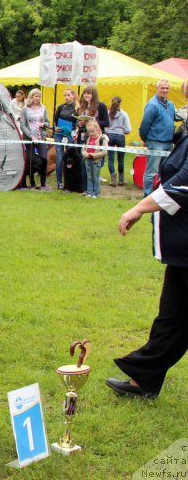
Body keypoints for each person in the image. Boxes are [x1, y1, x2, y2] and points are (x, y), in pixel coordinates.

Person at [106, 79, 188, 400]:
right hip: (182, 253)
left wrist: (138, 207)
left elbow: (183, 184)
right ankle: (143, 380)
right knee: (171, 318)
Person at [139, 79, 177, 197]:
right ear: (157, 89)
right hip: (156, 142)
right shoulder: (152, 105)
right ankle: (148, 195)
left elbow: (176, 117)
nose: (165, 90)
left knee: (166, 170)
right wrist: (146, 139)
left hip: (168, 142)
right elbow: (145, 124)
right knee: (152, 171)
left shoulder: (170, 104)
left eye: (167, 88)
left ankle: (163, 194)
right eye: (162, 88)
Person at [18, 88, 51, 190]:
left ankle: (43, 184)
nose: (38, 98)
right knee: (29, 161)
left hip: (41, 137)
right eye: (36, 96)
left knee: (44, 159)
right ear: (31, 97)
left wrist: (44, 124)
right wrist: (31, 136)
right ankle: (31, 184)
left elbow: (48, 123)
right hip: (29, 138)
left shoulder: (43, 108)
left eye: (39, 96)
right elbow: (22, 125)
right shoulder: (25, 109)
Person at [52, 88, 79, 190]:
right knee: (59, 158)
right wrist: (55, 128)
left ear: (73, 96)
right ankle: (59, 182)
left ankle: (70, 182)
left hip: (70, 134)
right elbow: (55, 119)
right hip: (59, 134)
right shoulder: (61, 107)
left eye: (68, 95)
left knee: (70, 158)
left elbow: (78, 122)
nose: (66, 97)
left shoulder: (77, 108)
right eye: (65, 95)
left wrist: (76, 131)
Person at [106, 96, 131, 187]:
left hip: (110, 136)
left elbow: (106, 127)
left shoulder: (108, 114)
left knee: (111, 158)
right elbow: (128, 129)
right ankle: (121, 180)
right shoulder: (124, 114)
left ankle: (113, 179)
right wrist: (123, 130)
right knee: (121, 159)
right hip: (120, 136)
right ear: (120, 103)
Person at [80, 119, 108, 198]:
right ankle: (89, 192)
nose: (91, 134)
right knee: (89, 177)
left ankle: (96, 193)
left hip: (96, 161)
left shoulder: (101, 139)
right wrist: (86, 154)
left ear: (97, 129)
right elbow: (83, 149)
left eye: (92, 131)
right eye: (89, 132)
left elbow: (105, 152)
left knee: (96, 177)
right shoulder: (88, 139)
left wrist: (94, 155)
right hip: (87, 160)